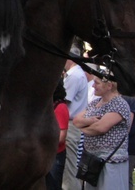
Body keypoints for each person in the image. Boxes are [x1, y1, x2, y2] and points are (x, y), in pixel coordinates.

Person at [73, 75, 131, 190]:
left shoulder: (119, 104)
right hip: (92, 161)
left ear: (109, 86)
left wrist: (82, 128)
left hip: (111, 162)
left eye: (97, 83)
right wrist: (90, 120)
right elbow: (76, 120)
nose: (93, 86)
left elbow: (100, 128)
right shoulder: (94, 103)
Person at [62, 53, 89, 190]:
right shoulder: (76, 74)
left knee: (69, 168)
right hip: (71, 124)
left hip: (70, 126)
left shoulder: (74, 76)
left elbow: (64, 100)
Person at [46, 79, 68, 190]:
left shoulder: (60, 107)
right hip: (49, 153)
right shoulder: (51, 106)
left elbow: (61, 136)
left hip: (56, 155)